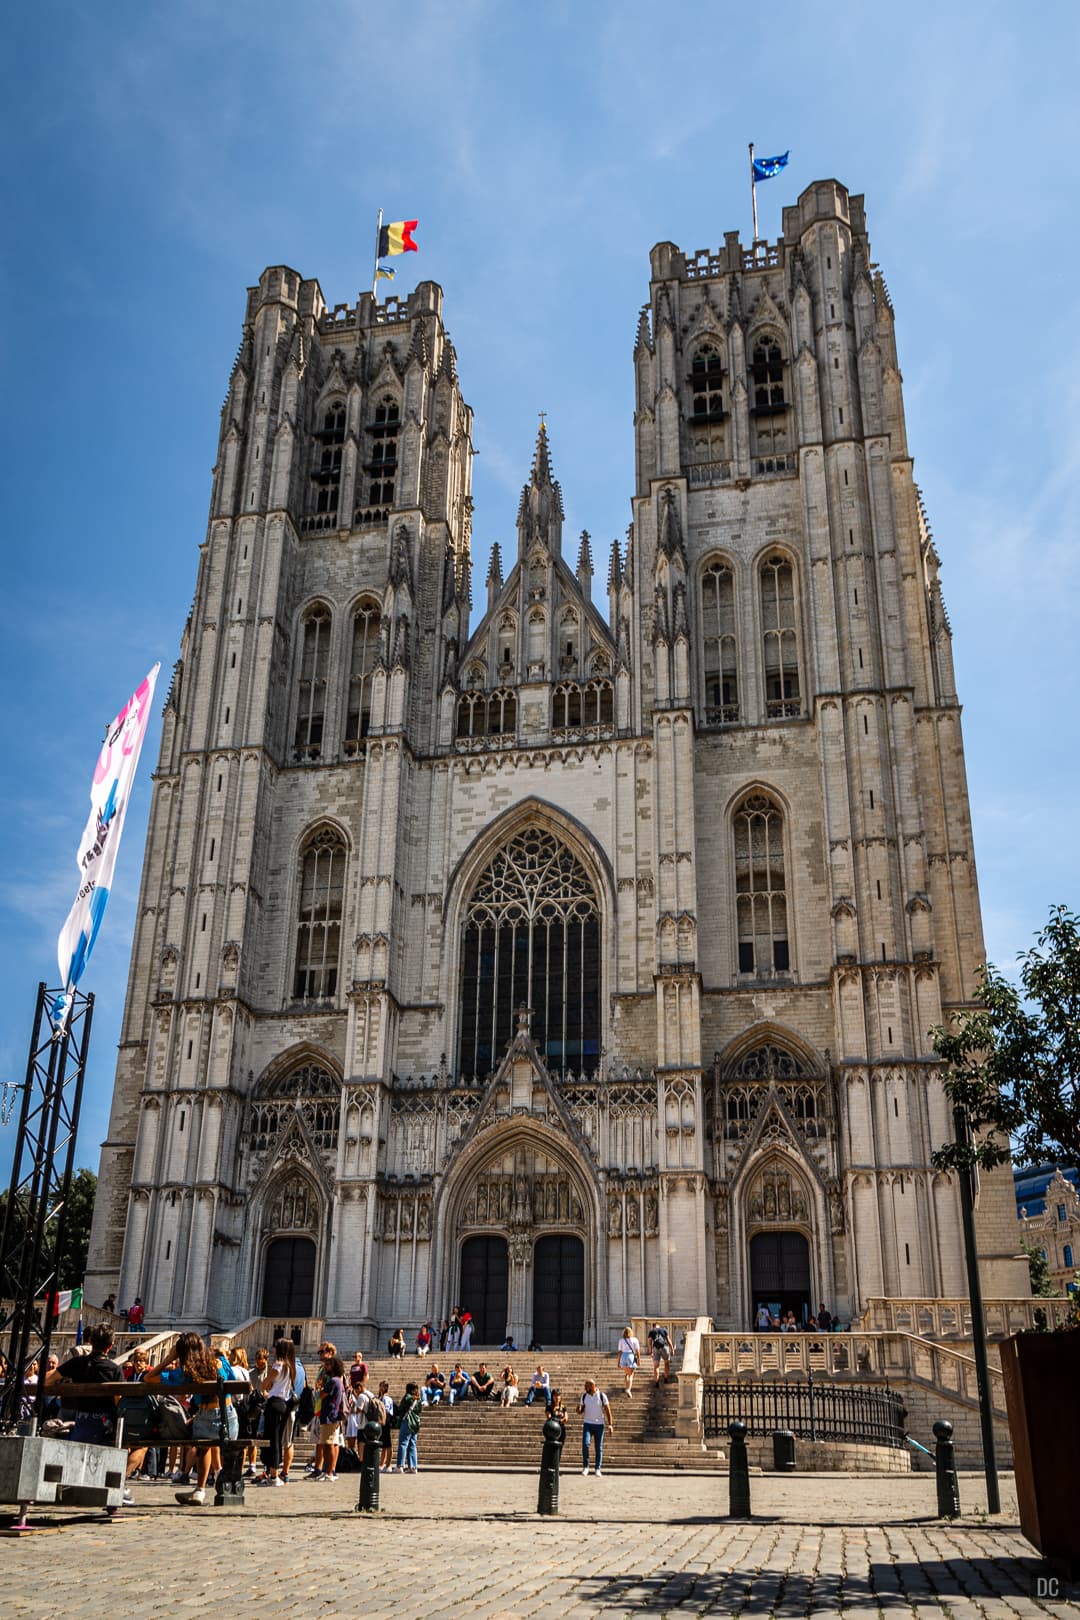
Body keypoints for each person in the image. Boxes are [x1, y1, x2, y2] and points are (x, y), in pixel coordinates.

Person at [145, 1330, 237, 1507]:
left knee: (204, 1445)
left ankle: (200, 1489)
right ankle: (222, 1478)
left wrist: (169, 1359)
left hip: (204, 1419)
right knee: (211, 1441)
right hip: (229, 1418)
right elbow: (233, 1385)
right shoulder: (221, 1362)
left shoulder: (185, 1373)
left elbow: (149, 1377)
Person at [50, 1324, 131, 1504]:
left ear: (91, 1341)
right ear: (110, 1346)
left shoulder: (78, 1363)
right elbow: (119, 1400)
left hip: (81, 1419)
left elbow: (49, 1379)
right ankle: (114, 1484)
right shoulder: (114, 1369)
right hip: (104, 1423)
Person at [256, 1336, 298, 1486]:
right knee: (277, 1439)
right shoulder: (291, 1367)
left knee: (272, 1440)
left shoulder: (278, 1365)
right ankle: (273, 1474)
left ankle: (273, 1476)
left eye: (276, 1346)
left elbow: (264, 1384)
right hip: (284, 1404)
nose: (273, 1349)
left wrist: (266, 1388)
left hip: (274, 1403)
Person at [310, 1343, 344, 1481]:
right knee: (324, 1442)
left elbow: (322, 1393)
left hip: (330, 1414)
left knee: (330, 1443)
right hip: (323, 1411)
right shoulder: (324, 1371)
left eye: (322, 1351)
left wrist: (320, 1390)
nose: (320, 1354)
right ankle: (323, 1470)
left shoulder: (335, 1379)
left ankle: (330, 1471)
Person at [578, 1379, 613, 1476]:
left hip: (599, 1425)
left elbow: (607, 1411)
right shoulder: (584, 1396)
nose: (585, 1388)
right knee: (585, 1444)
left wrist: (610, 1425)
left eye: (587, 1386)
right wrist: (578, 1409)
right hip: (587, 1423)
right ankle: (586, 1467)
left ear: (593, 1386)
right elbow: (581, 1411)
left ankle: (598, 1468)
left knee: (599, 1447)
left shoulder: (602, 1396)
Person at [393, 1382, 421, 1473]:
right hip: (416, 1423)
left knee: (403, 1443)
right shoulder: (418, 1399)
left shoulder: (407, 1398)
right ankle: (413, 1467)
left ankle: (400, 1466)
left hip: (407, 1421)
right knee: (412, 1444)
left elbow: (401, 1408)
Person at [617, 1325, 641, 1397]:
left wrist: (618, 1362)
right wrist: (639, 1360)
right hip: (631, 1356)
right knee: (631, 1375)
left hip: (623, 1356)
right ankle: (628, 1389)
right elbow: (637, 1351)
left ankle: (627, 1387)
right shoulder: (634, 1339)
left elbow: (620, 1352)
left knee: (627, 1374)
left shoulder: (621, 1340)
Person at [377, 1380, 395, 1472]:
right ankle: (381, 1464)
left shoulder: (386, 1398)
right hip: (382, 1421)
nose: (380, 1388)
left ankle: (388, 1465)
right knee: (384, 1444)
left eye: (382, 1386)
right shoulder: (380, 1397)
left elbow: (386, 1410)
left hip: (386, 1421)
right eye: (380, 1386)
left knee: (388, 1444)